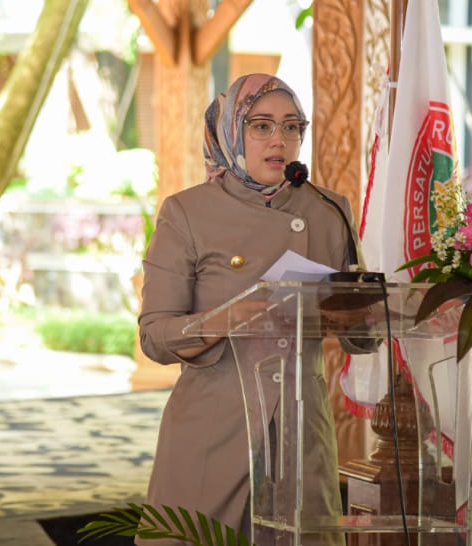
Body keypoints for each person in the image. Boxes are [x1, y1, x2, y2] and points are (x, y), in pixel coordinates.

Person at [137, 73, 353, 545]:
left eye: (293, 127)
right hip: (214, 430)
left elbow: (364, 332)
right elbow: (154, 336)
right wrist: (229, 317)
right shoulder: (187, 212)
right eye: (261, 126)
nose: (280, 140)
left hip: (302, 435)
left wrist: (357, 312)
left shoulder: (329, 210)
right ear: (230, 132)